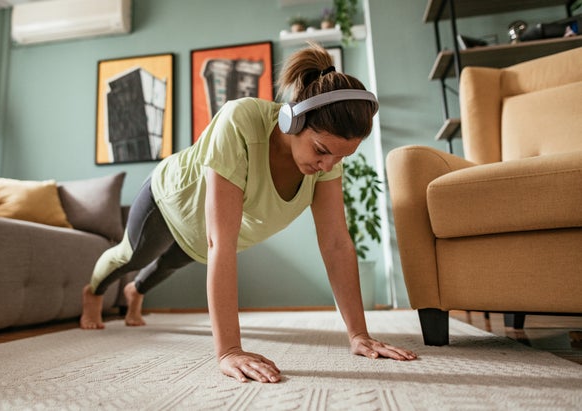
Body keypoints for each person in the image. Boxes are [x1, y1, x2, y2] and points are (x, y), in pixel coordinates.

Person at [80, 42, 417, 383]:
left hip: (201, 235)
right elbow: (220, 242)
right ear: (292, 119)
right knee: (133, 256)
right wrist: (229, 350)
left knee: (166, 266)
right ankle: (92, 294)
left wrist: (358, 334)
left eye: (340, 157)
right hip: (170, 201)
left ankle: (134, 293)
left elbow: (335, 244)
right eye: (321, 150)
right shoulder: (240, 121)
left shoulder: (326, 162)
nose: (328, 165)